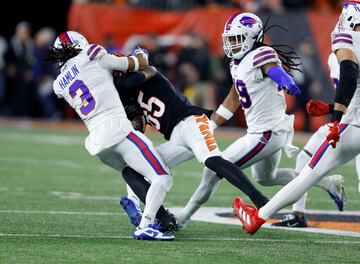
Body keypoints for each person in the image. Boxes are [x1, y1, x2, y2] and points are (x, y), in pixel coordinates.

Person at [172, 12, 344, 229]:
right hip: (269, 132)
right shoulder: (237, 63)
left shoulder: (261, 53)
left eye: (237, 39)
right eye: (230, 39)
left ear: (253, 37)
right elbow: (235, 97)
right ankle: (328, 183)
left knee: (213, 170)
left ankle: (182, 217)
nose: (232, 44)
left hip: (266, 134)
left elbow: (272, 69)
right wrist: (211, 125)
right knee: (266, 177)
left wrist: (285, 80)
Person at [233, 2, 360, 235]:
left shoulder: (347, 38)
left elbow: (350, 75)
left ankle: (258, 216)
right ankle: (297, 214)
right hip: (353, 120)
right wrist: (332, 107)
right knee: (306, 160)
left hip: (352, 126)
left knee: (310, 171)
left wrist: (336, 117)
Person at [113, 53, 270, 229]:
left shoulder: (137, 77)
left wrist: (127, 69)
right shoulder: (127, 91)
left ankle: (261, 200)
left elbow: (133, 77)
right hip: (175, 136)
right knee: (132, 170)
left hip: (191, 122)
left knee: (212, 160)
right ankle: (163, 217)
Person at [46, 31, 174, 241]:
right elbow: (135, 64)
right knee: (162, 176)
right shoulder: (92, 54)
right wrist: (142, 54)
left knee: (131, 171)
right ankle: (146, 225)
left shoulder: (58, 84)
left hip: (98, 142)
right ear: (80, 45)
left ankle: (146, 208)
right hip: (118, 130)